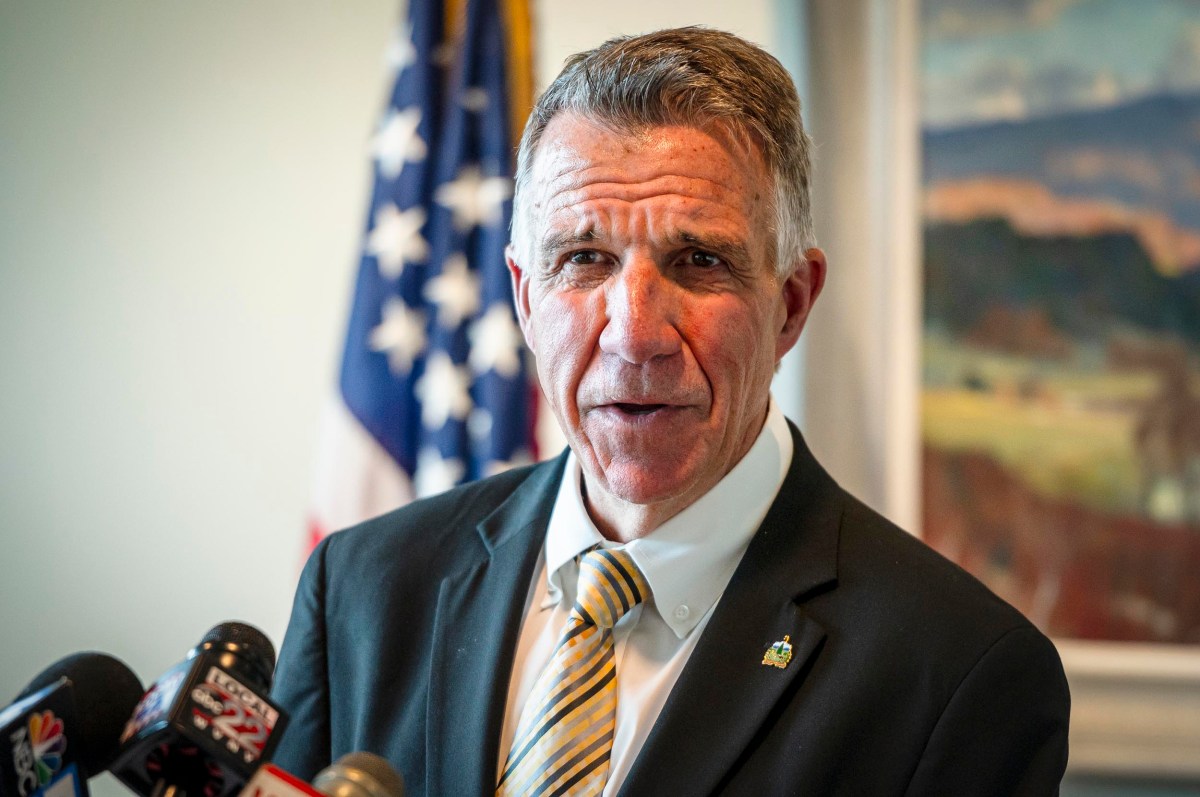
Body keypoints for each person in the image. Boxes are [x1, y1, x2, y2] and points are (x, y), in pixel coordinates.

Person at [272, 27, 1070, 796]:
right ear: (524, 296)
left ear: (791, 304)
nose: (635, 335)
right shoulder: (362, 590)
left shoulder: (962, 674)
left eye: (699, 261)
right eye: (584, 259)